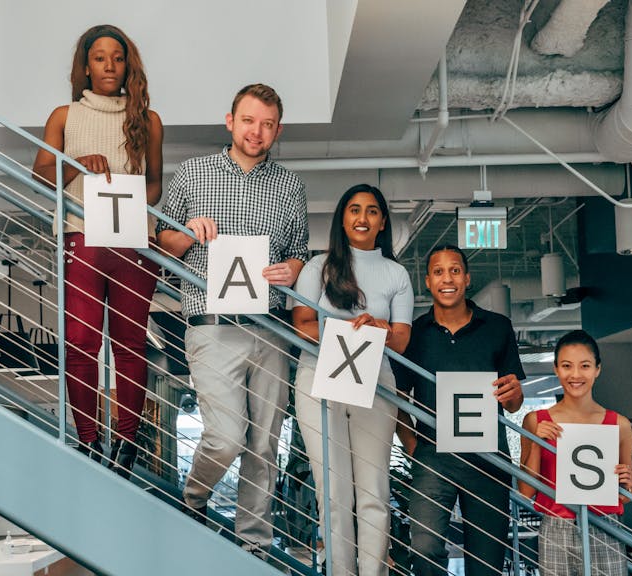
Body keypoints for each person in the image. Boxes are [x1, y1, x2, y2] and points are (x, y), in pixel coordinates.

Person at [157, 83, 308, 556]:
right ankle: (195, 499)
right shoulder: (193, 173)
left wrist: (296, 268)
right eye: (248, 120)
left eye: (267, 124)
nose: (256, 131)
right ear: (230, 121)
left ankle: (254, 547)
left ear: (277, 130)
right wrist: (187, 233)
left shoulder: (289, 185)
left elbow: (300, 252)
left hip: (270, 328)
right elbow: (161, 243)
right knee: (225, 438)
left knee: (263, 446)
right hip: (213, 325)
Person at [32, 24, 163, 478]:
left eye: (118, 57)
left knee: (129, 345)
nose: (110, 65)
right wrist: (76, 165)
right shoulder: (64, 116)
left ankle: (125, 444)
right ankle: (89, 440)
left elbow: (154, 186)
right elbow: (41, 175)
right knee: (82, 342)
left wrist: (127, 201)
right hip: (81, 237)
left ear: (129, 65)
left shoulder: (148, 120)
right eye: (100, 57)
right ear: (86, 66)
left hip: (132, 243)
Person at [293, 184, 414, 576]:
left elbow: (401, 338)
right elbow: (301, 327)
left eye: (372, 211)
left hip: (376, 378)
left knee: (374, 492)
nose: (363, 218)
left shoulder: (396, 273)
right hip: (319, 376)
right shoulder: (317, 267)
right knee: (333, 490)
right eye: (354, 210)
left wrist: (378, 327)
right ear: (342, 219)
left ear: (382, 222)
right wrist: (344, 326)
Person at [394, 244, 525, 576]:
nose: (447, 278)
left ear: (467, 278)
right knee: (423, 549)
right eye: (438, 272)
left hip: (488, 459)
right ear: (427, 281)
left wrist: (514, 394)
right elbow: (396, 398)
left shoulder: (497, 327)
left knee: (486, 562)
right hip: (433, 458)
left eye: (454, 270)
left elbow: (513, 402)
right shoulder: (415, 334)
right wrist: (414, 448)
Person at [518, 330, 632, 576]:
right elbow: (526, 491)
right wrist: (537, 442)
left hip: (605, 525)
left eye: (585, 366)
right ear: (556, 369)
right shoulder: (535, 421)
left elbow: (623, 496)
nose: (575, 375)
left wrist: (628, 486)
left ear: (597, 369)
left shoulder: (619, 425)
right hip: (556, 525)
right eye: (567, 366)